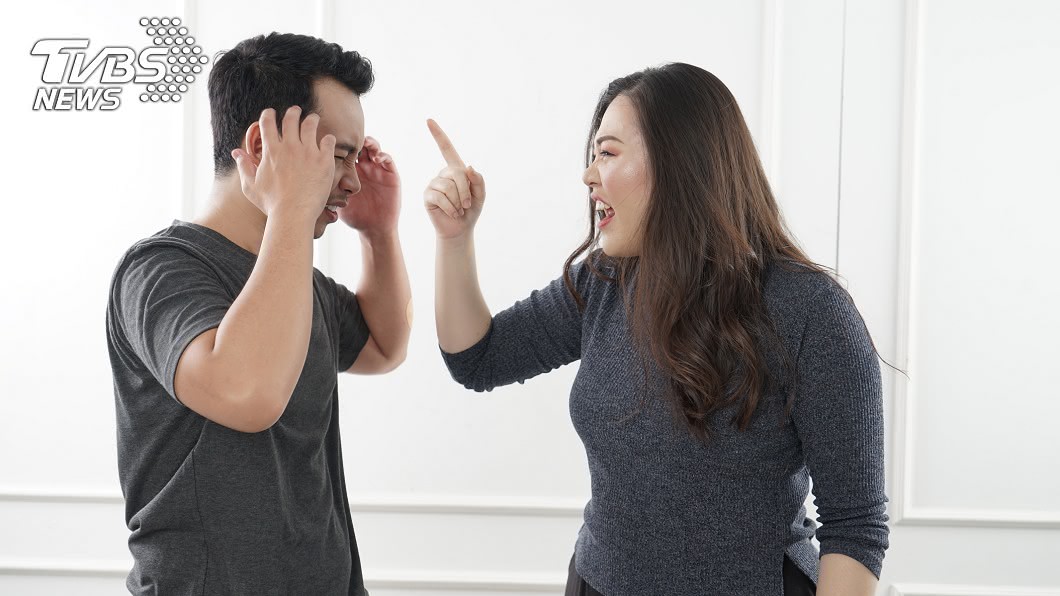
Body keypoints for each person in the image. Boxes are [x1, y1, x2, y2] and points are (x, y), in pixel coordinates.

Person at [424, 62, 889, 595]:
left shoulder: (810, 311)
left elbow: (855, 526)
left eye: (608, 152)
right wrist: (454, 239)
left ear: (678, 163)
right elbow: (479, 359)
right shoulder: (603, 282)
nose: (588, 175)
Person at [105, 33, 410, 595]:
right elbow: (248, 394)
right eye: (338, 154)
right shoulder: (159, 271)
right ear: (262, 144)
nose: (352, 178)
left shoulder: (296, 278)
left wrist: (379, 233)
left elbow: (382, 348)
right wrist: (292, 205)